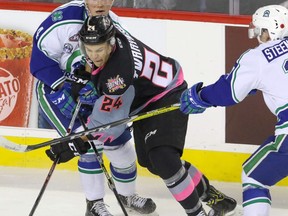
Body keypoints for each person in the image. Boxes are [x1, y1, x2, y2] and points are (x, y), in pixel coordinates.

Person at [47, 15, 237, 216]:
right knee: (153, 163)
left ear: (110, 44)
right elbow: (98, 66)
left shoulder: (117, 75)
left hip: (166, 94)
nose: (94, 56)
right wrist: (90, 76)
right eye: (90, 50)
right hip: (145, 100)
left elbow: (110, 124)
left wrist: (77, 143)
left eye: (99, 50)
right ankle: (213, 197)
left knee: (163, 158)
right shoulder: (113, 36)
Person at [29, 0, 156, 215]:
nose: (100, 3)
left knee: (121, 149)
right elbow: (38, 62)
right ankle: (94, 204)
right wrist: (64, 85)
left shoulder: (115, 25)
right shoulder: (64, 19)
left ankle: (127, 196)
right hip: (56, 92)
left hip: (94, 95)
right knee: (86, 145)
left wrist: (101, 90)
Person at [180, 4, 288, 216]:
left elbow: (229, 92)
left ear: (270, 30)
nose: (258, 36)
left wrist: (200, 97)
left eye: (260, 31)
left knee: (254, 176)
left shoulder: (258, 57)